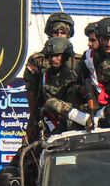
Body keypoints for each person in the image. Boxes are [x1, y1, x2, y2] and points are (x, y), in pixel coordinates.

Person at [34, 36, 102, 135]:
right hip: (64, 119)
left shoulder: (79, 69)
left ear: (65, 56)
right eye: (50, 56)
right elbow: (41, 102)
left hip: (86, 111)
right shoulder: (46, 76)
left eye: (57, 55)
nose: (53, 59)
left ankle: (89, 120)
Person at [24, 12, 76, 140]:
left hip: (73, 115)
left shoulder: (78, 60)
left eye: (63, 33)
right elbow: (31, 92)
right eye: (56, 32)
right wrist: (33, 118)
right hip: (45, 116)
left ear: (68, 35)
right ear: (49, 34)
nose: (59, 36)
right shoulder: (37, 60)